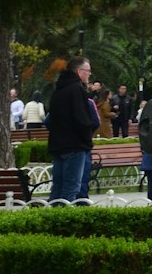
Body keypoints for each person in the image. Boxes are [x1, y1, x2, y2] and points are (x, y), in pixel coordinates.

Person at [46, 56, 99, 202]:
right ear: (79, 71)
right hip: (75, 146)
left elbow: (49, 120)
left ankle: (52, 218)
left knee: (57, 188)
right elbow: (82, 119)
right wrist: (87, 139)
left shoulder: (58, 90)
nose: (89, 75)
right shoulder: (77, 90)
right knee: (71, 188)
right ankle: (64, 221)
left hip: (58, 145)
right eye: (88, 71)